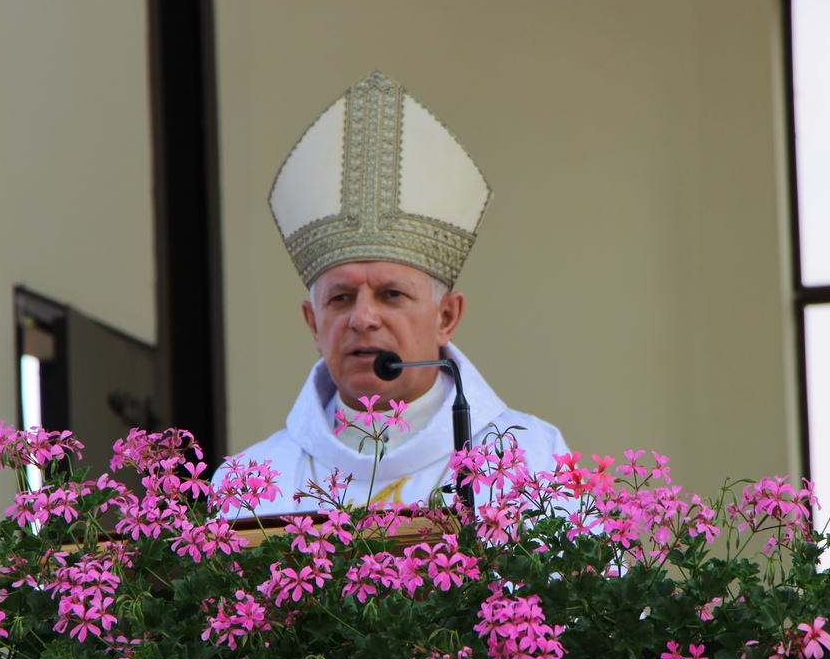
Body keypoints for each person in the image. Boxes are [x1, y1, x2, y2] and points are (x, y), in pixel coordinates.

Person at [214, 72, 566, 518]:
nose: (363, 317)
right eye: (340, 298)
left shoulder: (530, 460)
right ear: (313, 324)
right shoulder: (252, 480)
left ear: (446, 317)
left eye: (392, 294)